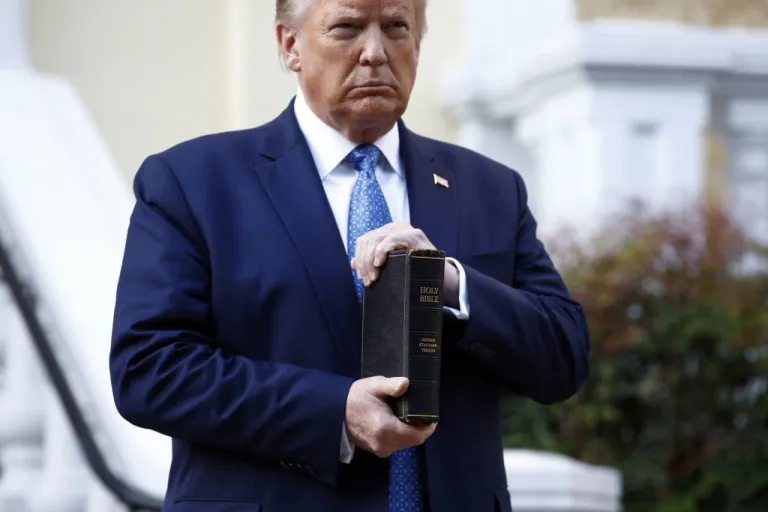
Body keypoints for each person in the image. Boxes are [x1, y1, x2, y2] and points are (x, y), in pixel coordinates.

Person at [109, 0, 590, 510]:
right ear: (289, 45)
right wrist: (334, 410)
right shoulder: (194, 182)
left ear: (418, 41)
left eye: (396, 27)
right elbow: (150, 370)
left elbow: (564, 356)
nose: (375, 52)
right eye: (347, 27)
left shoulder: (489, 188)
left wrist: (448, 281)